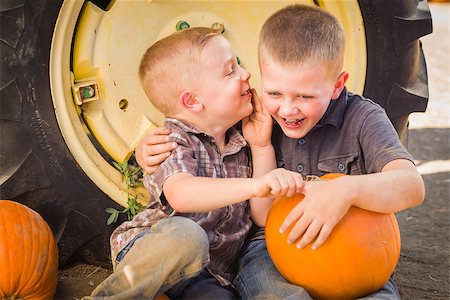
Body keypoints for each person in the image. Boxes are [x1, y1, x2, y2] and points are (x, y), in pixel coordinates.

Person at [136, 4, 425, 299]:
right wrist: (143, 151)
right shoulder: (256, 120)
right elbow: (200, 135)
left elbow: (411, 186)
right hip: (271, 251)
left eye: (305, 96)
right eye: (274, 93)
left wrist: (345, 190)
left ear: (337, 84)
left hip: (357, 248)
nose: (287, 109)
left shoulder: (363, 118)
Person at [86, 27, 304, 299]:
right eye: (230, 71)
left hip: (209, 271)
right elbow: (181, 194)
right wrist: (256, 185)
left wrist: (261, 146)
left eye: (238, 65)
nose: (245, 74)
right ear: (192, 101)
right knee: (188, 236)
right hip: (157, 252)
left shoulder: (241, 137)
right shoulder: (172, 139)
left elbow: (262, 215)